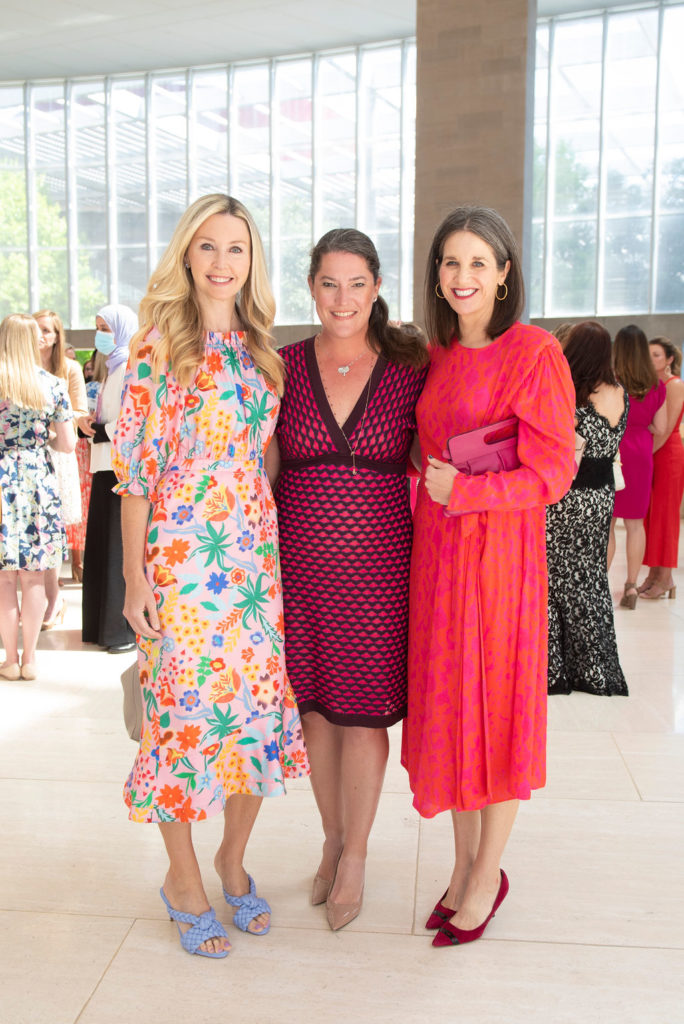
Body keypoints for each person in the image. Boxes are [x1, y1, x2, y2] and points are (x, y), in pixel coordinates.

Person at [112, 193, 308, 959]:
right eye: (208, 247)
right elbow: (135, 475)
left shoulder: (262, 350)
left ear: (252, 260)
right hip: (181, 565)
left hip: (252, 569)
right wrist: (134, 579)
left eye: (237, 248)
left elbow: (264, 460)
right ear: (186, 257)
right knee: (182, 722)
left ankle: (231, 856)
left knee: (254, 715)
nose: (223, 262)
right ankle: (183, 879)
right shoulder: (159, 349)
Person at [401, 205, 575, 948]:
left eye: (478, 263)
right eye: (450, 263)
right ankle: (465, 863)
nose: (462, 276)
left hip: (501, 562)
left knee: (495, 715)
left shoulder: (534, 353)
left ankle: (485, 875)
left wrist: (466, 491)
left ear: (505, 273)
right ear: (436, 276)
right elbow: (423, 449)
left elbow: (556, 469)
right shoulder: (435, 355)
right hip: (439, 558)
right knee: (451, 714)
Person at [270, 228, 428, 931]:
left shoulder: (409, 366)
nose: (343, 298)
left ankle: (357, 854)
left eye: (356, 283)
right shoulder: (281, 367)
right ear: (311, 286)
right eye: (329, 283)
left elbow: (446, 444)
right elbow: (262, 470)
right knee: (313, 715)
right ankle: (330, 839)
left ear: (377, 287)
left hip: (381, 569)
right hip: (298, 568)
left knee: (362, 716)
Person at [546, 321, 628, 695]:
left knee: (552, 575)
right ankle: (594, 666)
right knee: (589, 575)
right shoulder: (620, 393)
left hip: (567, 495)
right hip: (601, 495)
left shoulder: (572, 396)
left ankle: (553, 667)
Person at [0, 314, 75, 680]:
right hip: (35, 481)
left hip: (1, 480)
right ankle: (30, 658)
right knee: (33, 577)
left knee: (4, 580)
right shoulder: (53, 385)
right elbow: (66, 443)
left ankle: (9, 660)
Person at [78, 305, 138, 653]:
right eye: (98, 327)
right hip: (105, 466)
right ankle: (102, 628)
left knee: (118, 550)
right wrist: (93, 423)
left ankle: (121, 631)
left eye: (107, 328)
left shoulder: (131, 364)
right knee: (103, 546)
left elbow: (133, 419)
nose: (101, 334)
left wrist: (99, 429)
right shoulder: (113, 367)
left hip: (121, 468)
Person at [609, 325, 667, 608]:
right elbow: (661, 426)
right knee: (635, 525)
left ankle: (600, 583)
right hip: (641, 454)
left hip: (612, 454)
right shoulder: (656, 386)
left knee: (606, 524)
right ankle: (631, 585)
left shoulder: (610, 382)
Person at [33, 310, 88, 607]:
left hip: (58, 453)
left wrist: (52, 431)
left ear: (57, 336)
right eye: (35, 329)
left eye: (46, 330)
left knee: (52, 529)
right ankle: (37, 598)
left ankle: (52, 599)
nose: (40, 335)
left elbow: (79, 412)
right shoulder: (18, 368)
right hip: (29, 453)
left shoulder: (68, 369)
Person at [639, 338, 684, 599]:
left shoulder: (674, 384)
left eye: (656, 355)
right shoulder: (651, 384)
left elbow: (666, 429)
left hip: (667, 455)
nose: (650, 359)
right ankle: (653, 573)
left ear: (669, 359)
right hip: (653, 451)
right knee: (650, 517)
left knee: (665, 516)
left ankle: (665, 577)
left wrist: (644, 455)